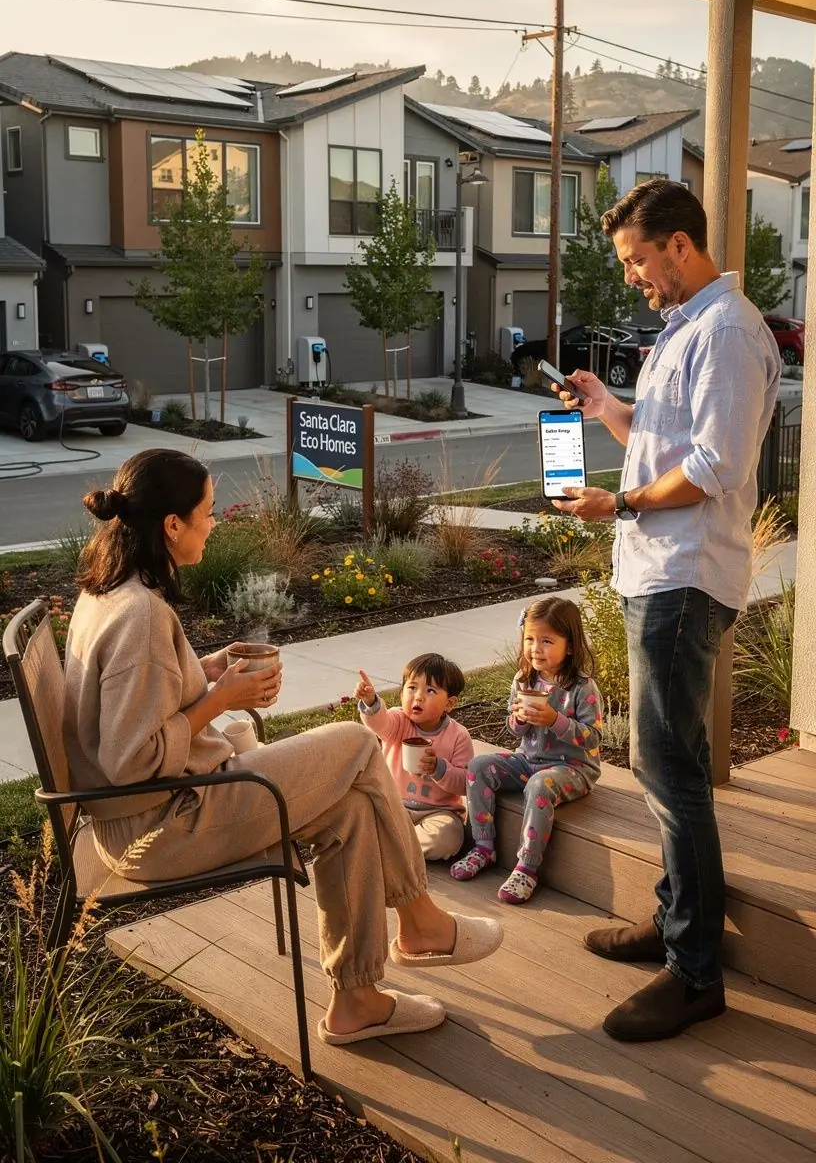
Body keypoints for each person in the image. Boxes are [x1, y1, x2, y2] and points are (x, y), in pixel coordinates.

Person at [62, 449, 503, 1049]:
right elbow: (130, 759)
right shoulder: (140, 612)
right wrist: (220, 698)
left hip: (160, 811)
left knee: (349, 811)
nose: (214, 524)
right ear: (172, 525)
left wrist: (206, 667)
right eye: (209, 513)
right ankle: (420, 919)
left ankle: (357, 1001)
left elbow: (139, 699)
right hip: (164, 825)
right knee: (356, 743)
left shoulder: (111, 591)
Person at [550, 178, 781, 1042]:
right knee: (664, 762)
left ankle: (694, 972)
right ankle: (673, 921)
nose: (634, 278)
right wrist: (608, 409)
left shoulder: (726, 331)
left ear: (679, 244)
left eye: (639, 259)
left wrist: (624, 504)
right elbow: (665, 440)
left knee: (670, 770)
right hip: (660, 572)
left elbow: (714, 467)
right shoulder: (689, 328)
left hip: (685, 577)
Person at [450, 597, 603, 903]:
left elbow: (593, 738)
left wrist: (556, 721)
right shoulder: (523, 679)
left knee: (539, 785)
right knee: (479, 767)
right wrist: (519, 719)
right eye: (530, 639)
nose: (536, 648)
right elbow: (513, 727)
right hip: (528, 759)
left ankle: (527, 868)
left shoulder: (582, 688)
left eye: (547, 641)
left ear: (570, 646)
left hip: (573, 768)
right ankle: (483, 847)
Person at [354, 654, 473, 861]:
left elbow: (464, 783)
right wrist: (371, 701)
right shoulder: (399, 721)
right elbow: (379, 723)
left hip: (438, 812)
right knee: (361, 814)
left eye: (430, 691)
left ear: (450, 703)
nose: (418, 697)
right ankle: (401, 847)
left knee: (448, 836)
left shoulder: (458, 736)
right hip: (395, 805)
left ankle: (392, 847)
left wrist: (438, 768)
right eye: (412, 688)